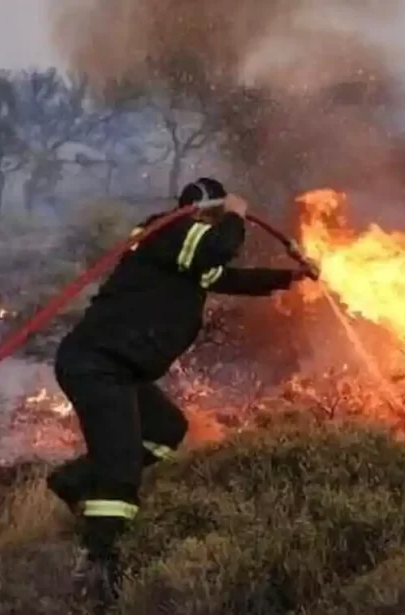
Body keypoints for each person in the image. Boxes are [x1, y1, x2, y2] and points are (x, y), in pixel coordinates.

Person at [47, 177, 318, 603]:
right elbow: (218, 249)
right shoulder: (170, 231)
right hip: (98, 366)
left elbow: (225, 276)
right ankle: (99, 566)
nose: (216, 226)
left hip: (119, 369)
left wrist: (292, 277)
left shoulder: (181, 254)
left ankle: (74, 479)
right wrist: (235, 214)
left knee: (166, 428)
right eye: (213, 217)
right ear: (201, 213)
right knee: (121, 475)